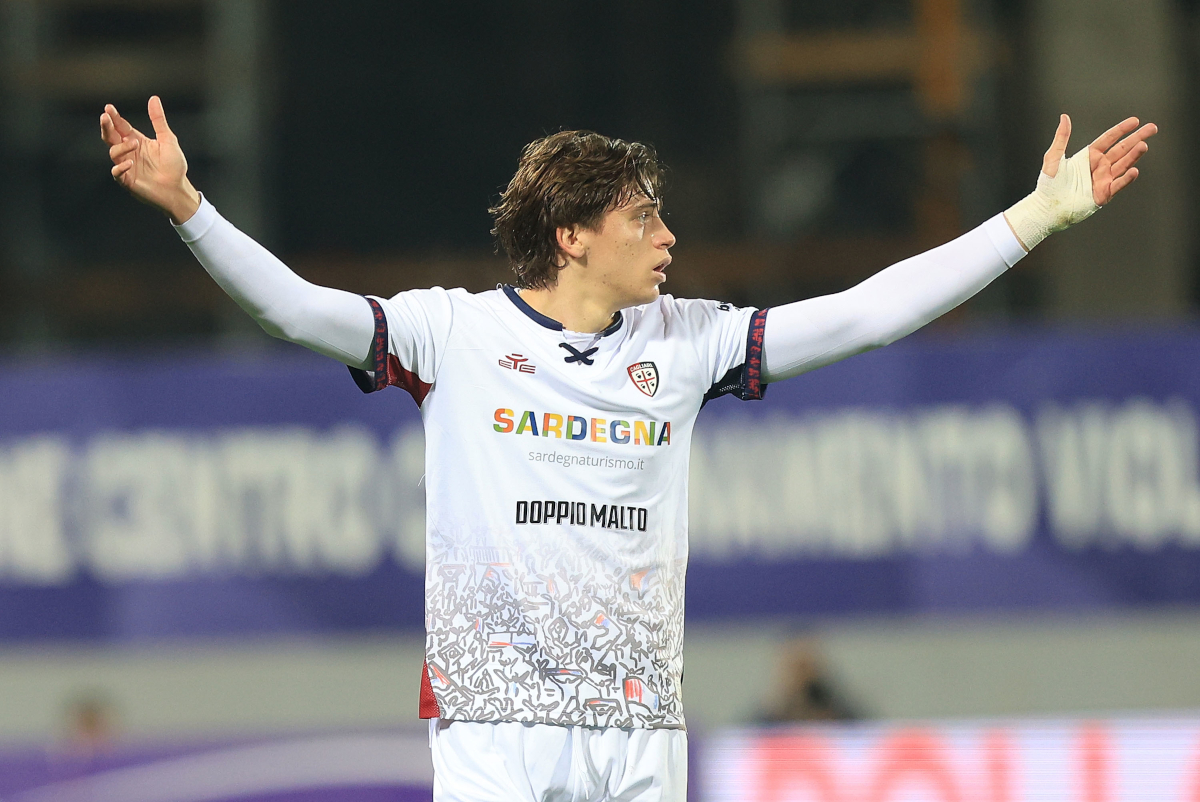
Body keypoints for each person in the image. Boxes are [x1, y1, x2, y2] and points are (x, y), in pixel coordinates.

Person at [100, 95, 1154, 801]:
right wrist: (189, 207)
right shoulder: (454, 335)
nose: (668, 238)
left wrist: (1035, 216)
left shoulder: (686, 343)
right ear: (572, 235)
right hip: (496, 721)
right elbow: (294, 309)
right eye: (645, 217)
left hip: (640, 720)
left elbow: (864, 315)